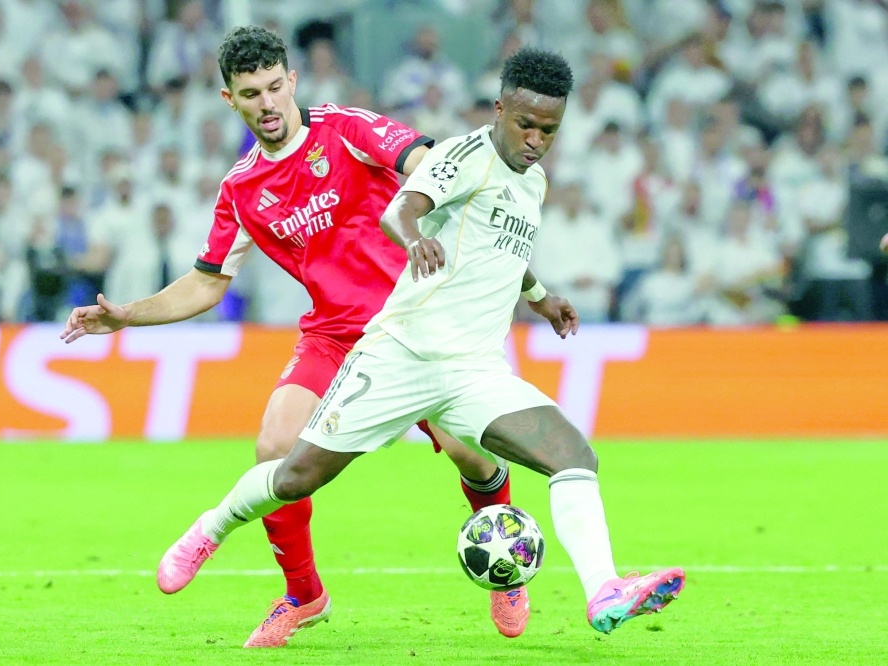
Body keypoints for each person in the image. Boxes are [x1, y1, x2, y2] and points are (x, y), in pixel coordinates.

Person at [154, 46, 685, 641]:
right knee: (293, 472)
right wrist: (413, 237)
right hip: (399, 356)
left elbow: (497, 249)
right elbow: (404, 207)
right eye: (526, 125)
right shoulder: (461, 155)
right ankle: (214, 526)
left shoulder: (530, 181)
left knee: (573, 457)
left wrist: (538, 294)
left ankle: (605, 590)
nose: (536, 140)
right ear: (500, 108)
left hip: (472, 370)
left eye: (549, 130)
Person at [61, 26, 523, 646]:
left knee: (473, 454)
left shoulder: (347, 130)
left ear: (293, 81)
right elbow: (205, 284)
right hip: (333, 335)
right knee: (273, 446)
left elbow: (422, 162)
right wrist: (126, 316)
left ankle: (505, 570)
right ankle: (304, 595)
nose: (267, 103)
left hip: (416, 322)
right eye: (251, 93)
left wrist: (433, 195)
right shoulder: (242, 190)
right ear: (230, 99)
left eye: (275, 86)